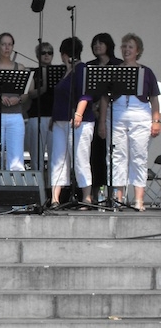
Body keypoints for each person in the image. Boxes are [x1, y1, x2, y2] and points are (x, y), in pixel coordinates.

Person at [99, 33, 160, 211]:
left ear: (138, 51)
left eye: (130, 47)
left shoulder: (146, 71)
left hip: (140, 115)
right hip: (117, 114)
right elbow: (104, 97)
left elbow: (154, 98)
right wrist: (102, 122)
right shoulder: (114, 69)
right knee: (117, 157)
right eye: (124, 46)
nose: (126, 50)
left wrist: (156, 120)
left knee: (138, 157)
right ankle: (119, 198)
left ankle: (139, 199)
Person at [49, 37, 95, 209]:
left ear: (63, 54)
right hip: (60, 121)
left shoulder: (82, 69)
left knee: (79, 158)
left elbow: (85, 94)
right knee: (58, 159)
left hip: (78, 121)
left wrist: (78, 113)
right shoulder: (66, 72)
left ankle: (87, 197)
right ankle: (55, 198)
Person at [0, 33, 29, 171]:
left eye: (9, 44)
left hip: (15, 115)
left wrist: (18, 99)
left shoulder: (20, 67)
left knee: (16, 157)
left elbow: (25, 93)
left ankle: (15, 188)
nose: (7, 48)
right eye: (3, 44)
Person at [87, 33, 121, 190]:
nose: (97, 45)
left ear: (108, 45)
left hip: (113, 113)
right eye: (95, 43)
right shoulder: (89, 65)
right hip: (92, 114)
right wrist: (93, 107)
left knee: (113, 153)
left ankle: (113, 191)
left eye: (101, 43)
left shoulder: (118, 64)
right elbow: (86, 91)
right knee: (94, 154)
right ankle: (96, 192)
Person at [25, 42, 55, 176]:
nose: (47, 55)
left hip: (54, 117)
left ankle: (53, 191)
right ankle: (39, 190)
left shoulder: (58, 72)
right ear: (38, 55)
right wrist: (42, 89)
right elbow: (28, 93)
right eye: (43, 53)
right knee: (37, 158)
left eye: (50, 53)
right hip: (36, 116)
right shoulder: (32, 72)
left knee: (55, 157)